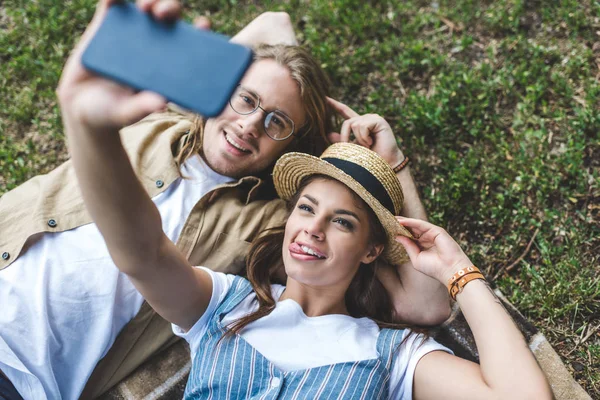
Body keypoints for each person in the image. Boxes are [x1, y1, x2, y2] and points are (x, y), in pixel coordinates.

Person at [0, 0, 450, 399]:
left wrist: (393, 164)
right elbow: (276, 23)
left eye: (276, 122)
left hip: (22, 375)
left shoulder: (271, 223)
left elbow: (424, 303)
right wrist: (264, 81)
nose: (250, 124)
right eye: (245, 100)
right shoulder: (160, 121)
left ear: (292, 148)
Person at [66, 102, 554, 400]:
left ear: (370, 251)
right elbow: (141, 252)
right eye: (306, 208)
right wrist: (89, 126)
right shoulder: (225, 304)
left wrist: (458, 272)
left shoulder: (393, 353)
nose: (313, 229)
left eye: (342, 222)